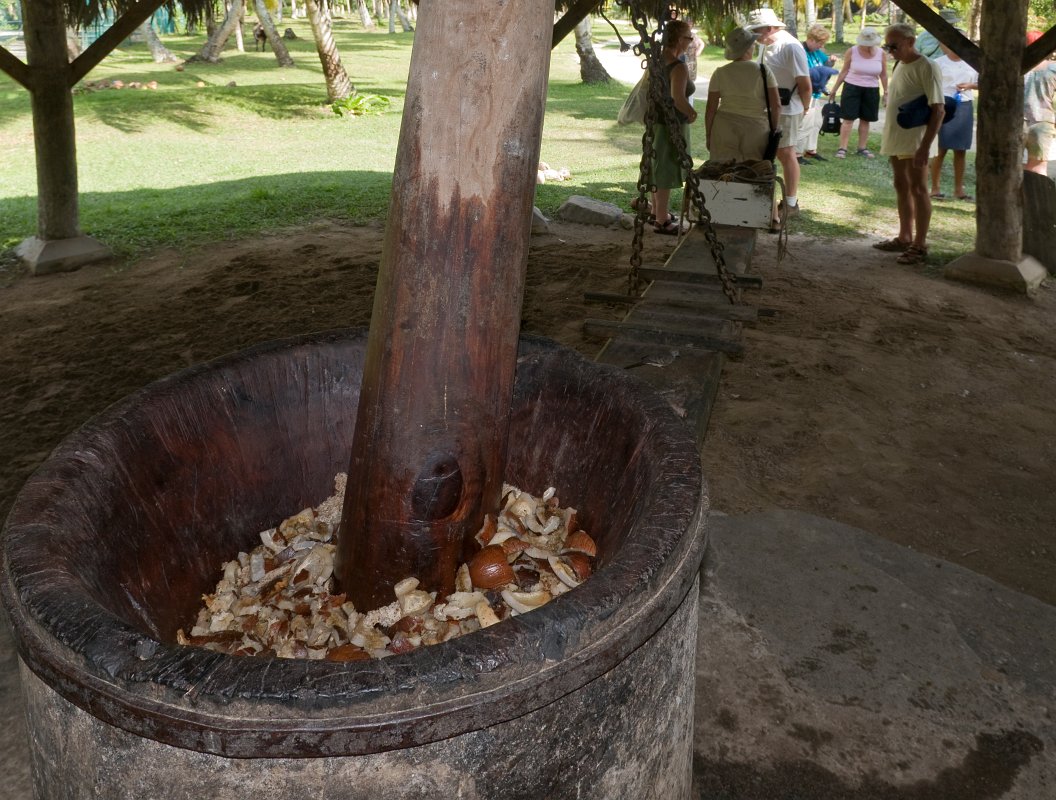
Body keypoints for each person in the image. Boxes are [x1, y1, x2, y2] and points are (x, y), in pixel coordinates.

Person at [872, 23, 945, 266]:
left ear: (911, 42)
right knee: (901, 185)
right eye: (888, 47)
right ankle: (905, 237)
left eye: (895, 46)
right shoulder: (900, 64)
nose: (891, 51)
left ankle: (919, 244)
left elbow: (938, 110)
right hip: (898, 137)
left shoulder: (927, 66)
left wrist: (924, 146)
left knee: (918, 188)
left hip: (915, 139)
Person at [747, 7, 811, 220]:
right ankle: (763, 199)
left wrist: (805, 108)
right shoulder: (765, 45)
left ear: (769, 27)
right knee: (765, 153)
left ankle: (790, 203)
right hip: (767, 108)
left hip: (788, 108)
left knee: (786, 153)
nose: (754, 34)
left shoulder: (790, 46)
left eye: (756, 30)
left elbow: (805, 84)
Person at [646, 18, 698, 235]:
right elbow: (677, 99)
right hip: (672, 125)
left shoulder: (656, 61)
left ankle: (656, 212)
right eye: (689, 38)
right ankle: (661, 220)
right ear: (678, 39)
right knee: (666, 171)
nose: (691, 42)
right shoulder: (678, 67)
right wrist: (691, 112)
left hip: (656, 123)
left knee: (656, 166)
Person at [705, 27, 780, 162]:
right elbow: (776, 106)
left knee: (722, 170)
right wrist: (773, 129)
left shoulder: (720, 72)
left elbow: (711, 108)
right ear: (748, 48)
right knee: (752, 170)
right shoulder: (763, 71)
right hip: (755, 128)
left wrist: (709, 134)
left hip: (724, 126)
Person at [928, 41, 978, 200]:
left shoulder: (972, 63)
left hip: (964, 106)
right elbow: (929, 84)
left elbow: (981, 82)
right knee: (940, 148)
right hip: (944, 105)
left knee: (961, 150)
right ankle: (935, 188)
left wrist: (970, 85)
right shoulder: (938, 63)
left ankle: (959, 190)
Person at [828, 27, 889, 159]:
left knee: (866, 119)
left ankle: (862, 148)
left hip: (872, 89)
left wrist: (886, 92)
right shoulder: (852, 51)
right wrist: (834, 89)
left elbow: (884, 74)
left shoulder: (881, 53)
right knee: (848, 119)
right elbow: (844, 71)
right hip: (852, 87)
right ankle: (842, 148)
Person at [798, 24, 838, 163]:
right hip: (805, 94)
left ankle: (811, 150)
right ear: (811, 39)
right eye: (820, 43)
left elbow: (825, 64)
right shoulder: (801, 51)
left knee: (816, 123)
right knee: (805, 124)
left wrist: (831, 62)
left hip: (816, 94)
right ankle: (797, 154)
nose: (821, 46)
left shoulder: (817, 52)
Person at [1023, 31, 1056, 176]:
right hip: (1043, 121)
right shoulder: (1053, 68)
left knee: (1010, 164)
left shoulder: (1015, 67)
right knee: (1039, 168)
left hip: (1015, 121)